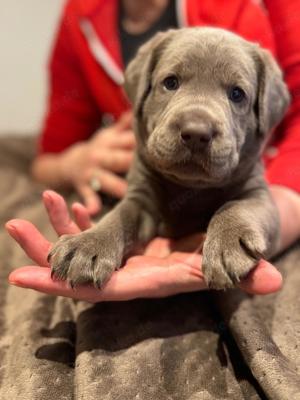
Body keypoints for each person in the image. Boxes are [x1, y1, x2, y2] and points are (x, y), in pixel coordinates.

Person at [6, 0, 300, 302]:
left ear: (262, 110)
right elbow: (135, 204)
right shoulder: (80, 14)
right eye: (171, 82)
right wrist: (76, 170)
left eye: (236, 94)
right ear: (140, 91)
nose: (197, 127)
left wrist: (258, 216)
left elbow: (258, 196)